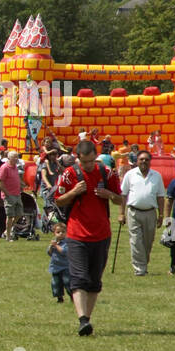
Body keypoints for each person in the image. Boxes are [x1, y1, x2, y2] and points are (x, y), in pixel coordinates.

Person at [53, 139, 124, 335]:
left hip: (101, 234)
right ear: (78, 158)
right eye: (84, 162)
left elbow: (120, 198)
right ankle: (82, 319)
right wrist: (74, 192)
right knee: (78, 277)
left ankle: (86, 320)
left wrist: (108, 194)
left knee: (94, 280)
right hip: (77, 234)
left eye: (92, 161)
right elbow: (58, 201)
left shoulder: (107, 172)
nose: (88, 165)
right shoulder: (69, 174)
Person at [118, 150, 167, 276]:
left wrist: (161, 215)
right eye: (141, 159)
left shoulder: (156, 176)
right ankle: (140, 269)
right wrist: (121, 213)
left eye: (146, 159)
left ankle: (143, 263)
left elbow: (161, 197)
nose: (144, 161)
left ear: (150, 161)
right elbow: (123, 195)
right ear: (137, 161)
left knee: (147, 241)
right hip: (133, 212)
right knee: (135, 240)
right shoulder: (130, 174)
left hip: (150, 213)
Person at [0, 151, 24, 240]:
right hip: (9, 195)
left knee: (19, 213)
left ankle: (6, 231)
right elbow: (0, 182)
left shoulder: (15, 167)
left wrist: (22, 184)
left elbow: (16, 178)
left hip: (17, 194)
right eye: (15, 157)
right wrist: (7, 193)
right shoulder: (5, 167)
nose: (17, 159)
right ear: (9, 158)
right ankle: (8, 236)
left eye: (17, 157)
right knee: (10, 216)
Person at [47, 220, 71, 303]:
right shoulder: (55, 242)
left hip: (65, 267)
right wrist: (51, 247)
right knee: (55, 283)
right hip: (55, 266)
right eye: (58, 232)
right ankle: (59, 297)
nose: (60, 234)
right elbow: (49, 253)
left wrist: (56, 246)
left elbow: (64, 252)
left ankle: (72, 296)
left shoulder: (66, 242)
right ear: (54, 233)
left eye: (63, 232)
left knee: (67, 282)